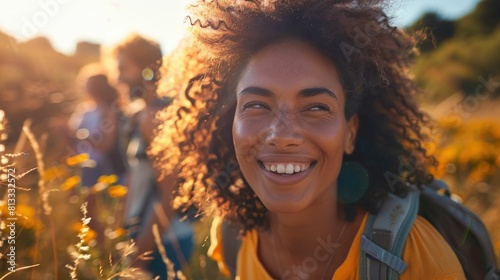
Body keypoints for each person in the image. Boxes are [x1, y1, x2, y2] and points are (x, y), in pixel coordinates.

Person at [152, 0, 467, 279]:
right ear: (229, 124)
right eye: (257, 105)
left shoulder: (423, 265)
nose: (282, 135)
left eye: (316, 107)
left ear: (350, 132)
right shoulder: (232, 235)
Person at [114, 34, 194, 278]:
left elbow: (169, 196)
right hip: (148, 238)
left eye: (123, 68)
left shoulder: (154, 118)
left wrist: (140, 255)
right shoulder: (142, 114)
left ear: (147, 69)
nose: (118, 78)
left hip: (164, 244)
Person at [68, 64, 128, 244]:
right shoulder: (84, 110)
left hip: (102, 168)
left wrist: (80, 136)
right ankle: (98, 246)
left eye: (88, 84)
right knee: (84, 211)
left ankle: (105, 246)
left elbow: (106, 145)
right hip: (82, 167)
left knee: (102, 212)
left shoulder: (110, 110)